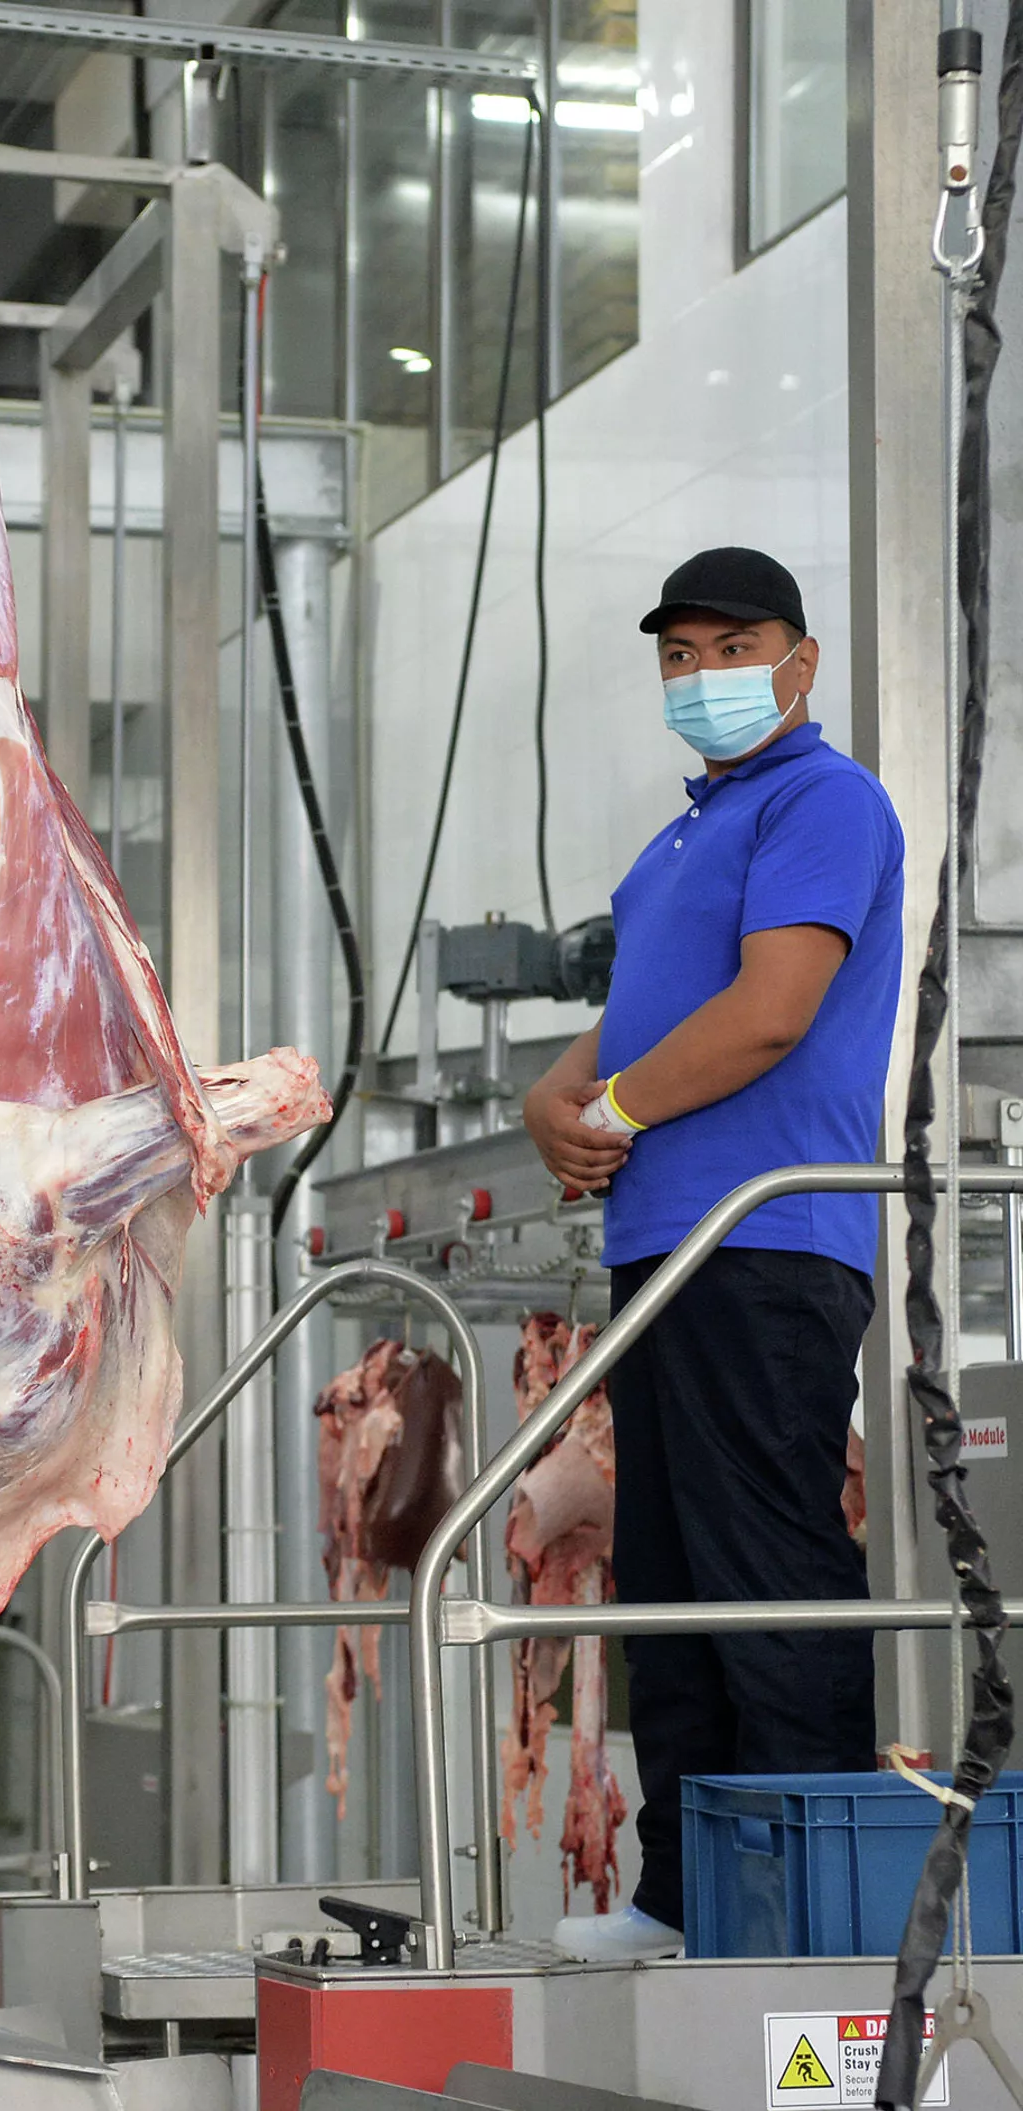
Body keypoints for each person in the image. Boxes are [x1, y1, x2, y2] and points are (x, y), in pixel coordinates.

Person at [521, 547, 904, 1962]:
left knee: (766, 1572)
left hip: (763, 1236)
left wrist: (614, 1109)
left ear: (801, 660)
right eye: (679, 656)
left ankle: (809, 1916)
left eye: (733, 649)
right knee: (670, 1580)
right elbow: (641, 1008)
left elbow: (770, 1009)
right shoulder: (675, 841)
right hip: (665, 1242)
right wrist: (552, 1096)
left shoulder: (824, 800)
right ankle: (683, 1898)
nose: (704, 677)